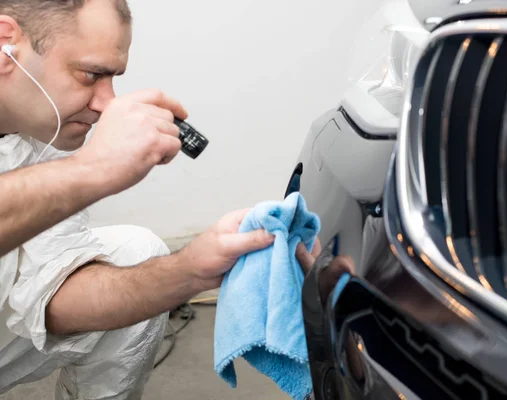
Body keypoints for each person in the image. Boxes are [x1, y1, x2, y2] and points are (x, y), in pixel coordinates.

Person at [0, 0, 292, 398]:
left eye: (113, 78)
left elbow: (52, 297)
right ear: (6, 44)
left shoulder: (45, 127)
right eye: (90, 74)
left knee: (138, 252)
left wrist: (189, 270)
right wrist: (92, 170)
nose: (105, 103)